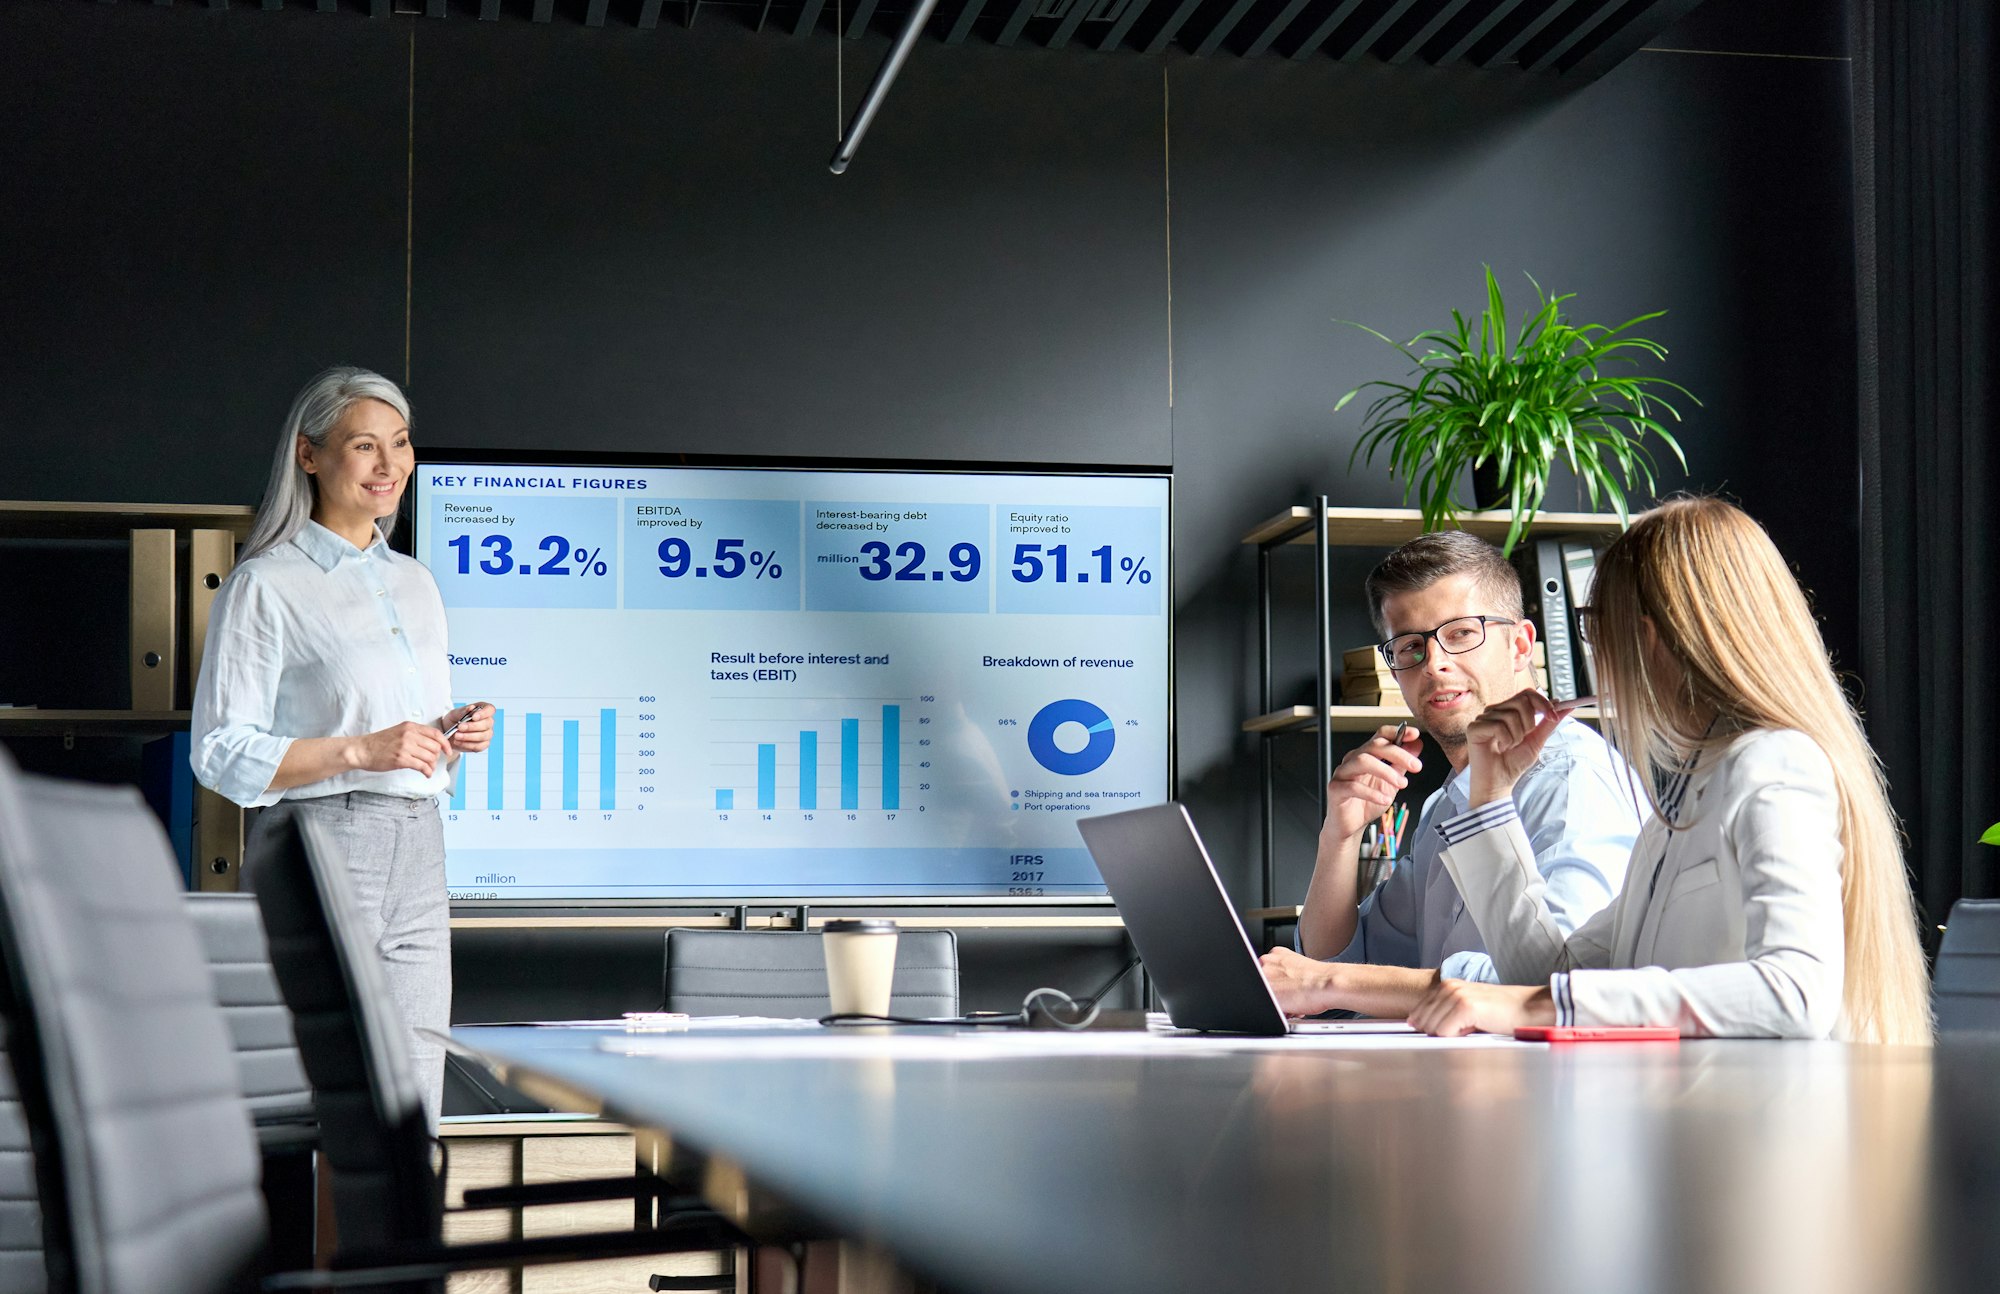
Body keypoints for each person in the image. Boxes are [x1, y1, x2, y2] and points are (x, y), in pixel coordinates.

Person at [1405, 498, 1932, 1044]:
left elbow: (1797, 992)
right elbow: (1548, 979)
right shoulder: (1679, 804)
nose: (1596, 651)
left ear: (1650, 636)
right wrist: (1491, 797)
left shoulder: (1774, 764)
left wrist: (1548, 1005)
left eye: (1594, 625)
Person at [191, 366, 492, 1128]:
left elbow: (407, 742)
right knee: (319, 1093)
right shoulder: (267, 584)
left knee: (415, 1095)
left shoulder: (416, 583)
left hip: (420, 846)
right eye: (365, 445)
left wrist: (451, 737)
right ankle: (306, 1250)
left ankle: (403, 1254)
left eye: (400, 443)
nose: (390, 465)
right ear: (310, 455)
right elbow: (220, 749)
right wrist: (361, 751)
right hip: (326, 844)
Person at [1258, 532, 1641, 1018]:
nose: (1435, 664)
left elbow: (1555, 989)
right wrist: (1339, 837)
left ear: (1521, 645)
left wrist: (1332, 982)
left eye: (1461, 633)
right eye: (1410, 645)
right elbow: (1341, 973)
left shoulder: (1571, 783)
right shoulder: (1445, 804)